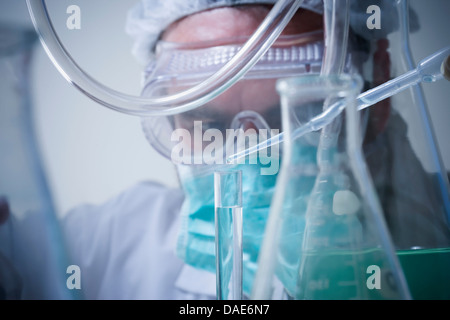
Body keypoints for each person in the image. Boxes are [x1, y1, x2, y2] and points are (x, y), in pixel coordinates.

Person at [60, 0, 449, 300]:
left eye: (295, 117)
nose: (249, 158)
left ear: (378, 88)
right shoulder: (98, 248)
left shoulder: (441, 234)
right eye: (208, 125)